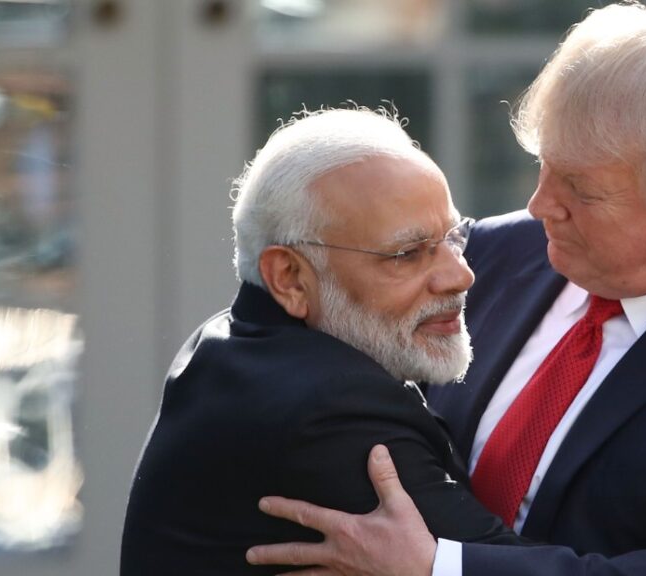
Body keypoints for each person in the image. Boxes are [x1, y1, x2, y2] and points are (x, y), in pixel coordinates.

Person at [246, 3, 646, 576]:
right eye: (543, 165)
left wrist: (442, 569)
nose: (540, 205)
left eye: (581, 190)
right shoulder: (497, 253)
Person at [119, 108, 523, 575]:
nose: (461, 275)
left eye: (455, 238)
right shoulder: (331, 408)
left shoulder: (228, 342)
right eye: (407, 254)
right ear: (289, 277)